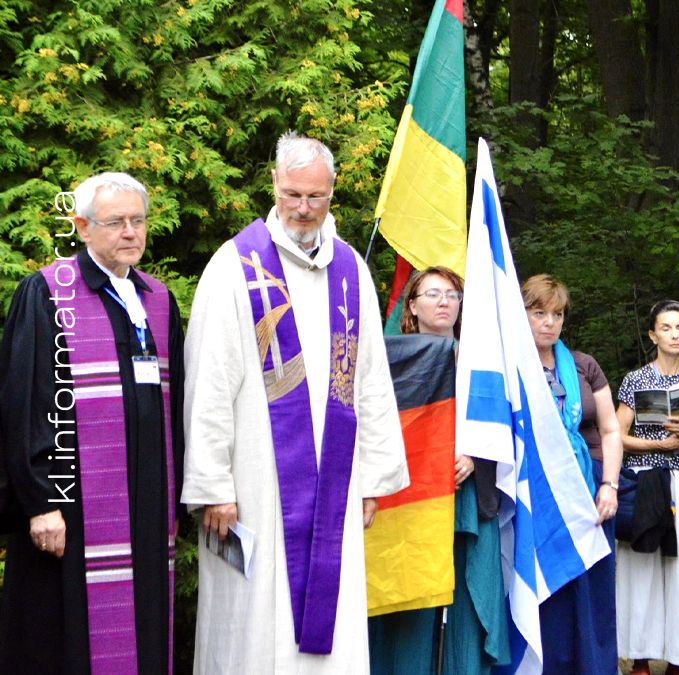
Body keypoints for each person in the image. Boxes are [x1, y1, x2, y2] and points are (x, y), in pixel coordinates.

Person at [182, 132, 409, 673]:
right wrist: (212, 484)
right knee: (255, 622)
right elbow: (208, 383)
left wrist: (374, 479)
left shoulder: (351, 272)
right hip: (253, 484)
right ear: (275, 188)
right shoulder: (235, 266)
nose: (303, 209)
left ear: (333, 193)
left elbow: (372, 382)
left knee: (336, 616)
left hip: (336, 478)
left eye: (315, 197)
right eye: (292, 196)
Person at [0, 172, 184, 674]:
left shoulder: (157, 301)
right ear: (82, 226)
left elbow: (177, 406)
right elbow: (23, 404)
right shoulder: (47, 294)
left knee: (143, 631)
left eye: (138, 221)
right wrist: (41, 504)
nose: (130, 233)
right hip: (71, 513)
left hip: (145, 507)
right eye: (116, 222)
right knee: (66, 643)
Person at [369, 267, 508, 674]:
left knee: (463, 600)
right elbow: (379, 428)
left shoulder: (482, 362)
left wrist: (475, 454)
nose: (444, 301)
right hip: (411, 499)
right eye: (432, 293)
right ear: (412, 305)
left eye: (452, 294)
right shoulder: (391, 359)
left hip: (467, 496)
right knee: (411, 603)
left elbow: (503, 427)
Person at [523, 274, 622, 673]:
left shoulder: (583, 365)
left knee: (593, 591)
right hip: (542, 492)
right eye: (539, 312)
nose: (550, 322)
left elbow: (611, 428)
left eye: (557, 314)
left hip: (590, 487)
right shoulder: (511, 366)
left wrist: (610, 486)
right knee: (553, 593)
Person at [614, 300, 679, 675]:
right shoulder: (636, 380)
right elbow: (618, 436)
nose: (675, 334)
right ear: (653, 334)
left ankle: (678, 659)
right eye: (666, 327)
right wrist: (658, 444)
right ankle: (639, 656)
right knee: (642, 568)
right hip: (646, 478)